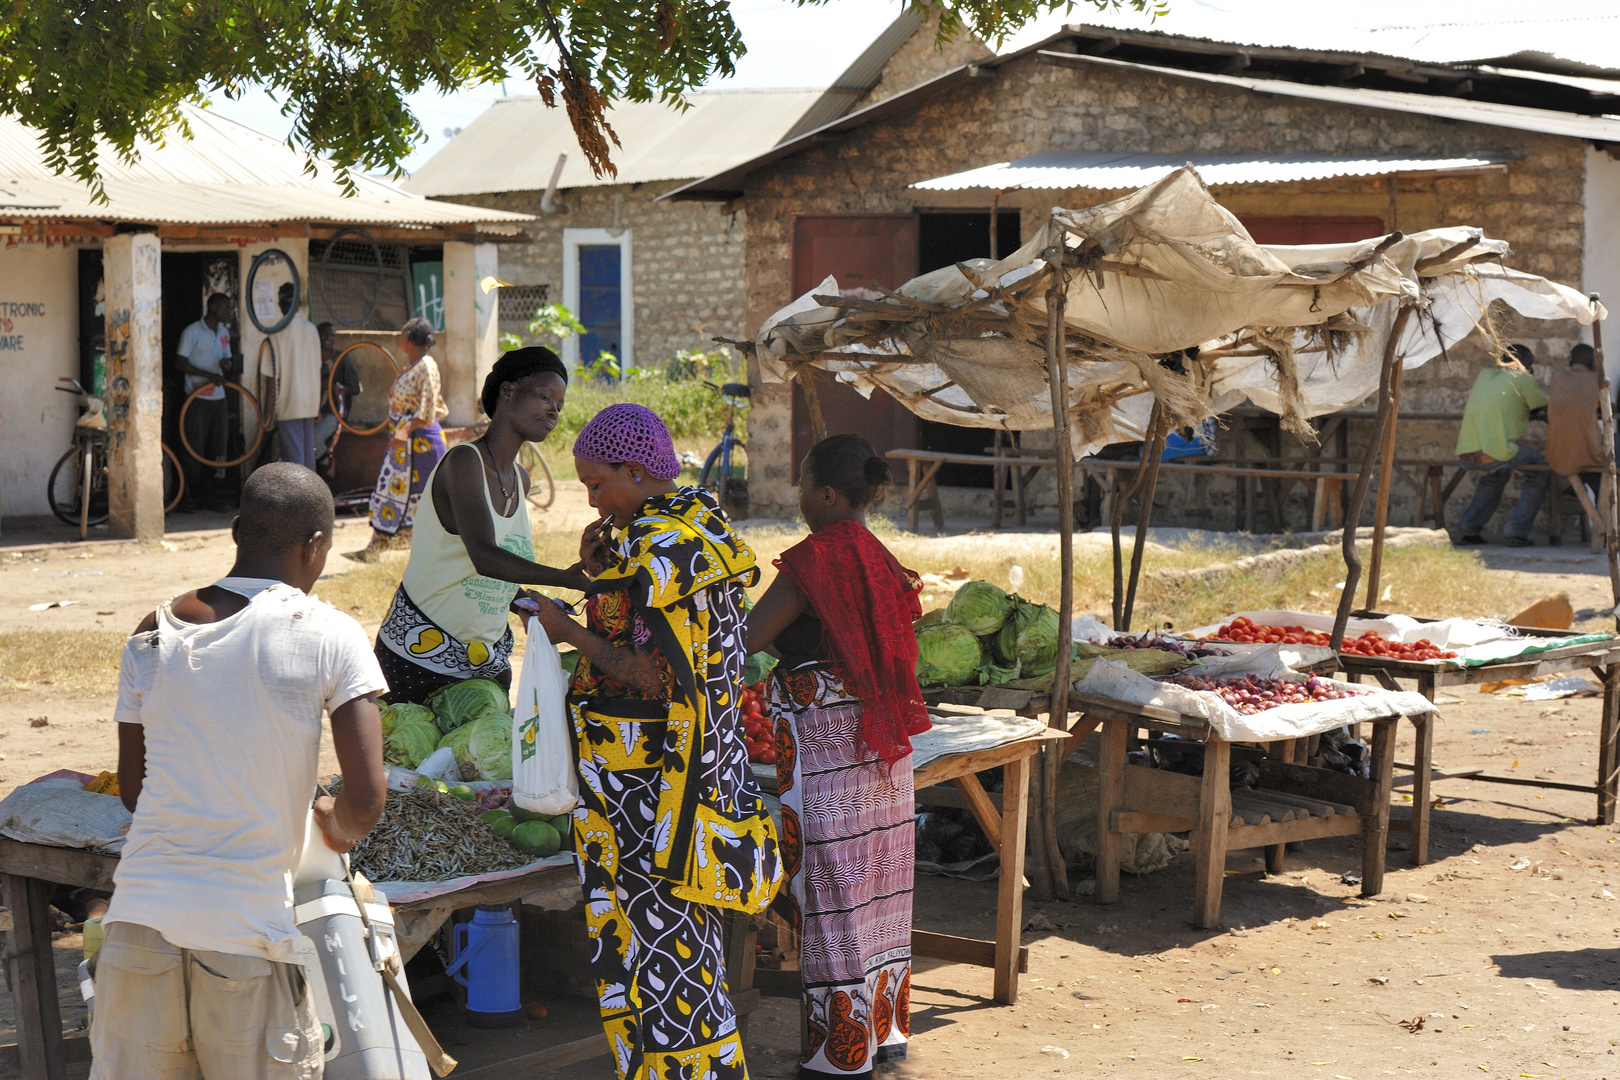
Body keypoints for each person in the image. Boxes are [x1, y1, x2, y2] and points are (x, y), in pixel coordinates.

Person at [91, 463, 388, 1079]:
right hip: (246, 936)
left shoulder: (153, 630)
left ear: (234, 532)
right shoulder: (327, 630)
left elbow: (134, 792)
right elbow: (365, 800)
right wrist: (333, 825)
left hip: (137, 925)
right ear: (316, 545)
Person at [529, 403, 781, 1080]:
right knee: (673, 948)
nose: (590, 499)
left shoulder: (662, 548)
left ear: (636, 471)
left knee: (658, 950)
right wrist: (590, 577)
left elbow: (648, 672)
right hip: (667, 784)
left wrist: (564, 630)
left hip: (648, 791)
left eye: (596, 484)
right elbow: (640, 629)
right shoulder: (694, 527)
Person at [745, 434, 930, 1078]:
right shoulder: (877, 555)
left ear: (827, 493)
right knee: (877, 888)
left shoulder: (814, 562)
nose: (796, 496)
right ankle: (881, 1034)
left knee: (833, 894)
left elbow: (744, 642)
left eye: (802, 485)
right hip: (880, 755)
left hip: (828, 749)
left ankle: (837, 1056)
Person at [375, 347, 591, 702]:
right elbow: (484, 557)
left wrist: (520, 601)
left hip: (483, 661)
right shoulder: (464, 463)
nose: (554, 410)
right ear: (508, 392)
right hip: (417, 656)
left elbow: (486, 575)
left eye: (560, 405)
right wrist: (564, 578)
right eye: (544, 397)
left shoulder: (519, 480)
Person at [355, 317, 450, 560]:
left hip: (420, 444)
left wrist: (405, 430)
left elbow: (427, 410)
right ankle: (377, 547)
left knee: (422, 500)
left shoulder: (427, 367)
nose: (399, 338)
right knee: (390, 491)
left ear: (408, 339)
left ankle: (424, 553)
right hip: (402, 443)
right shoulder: (410, 367)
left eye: (402, 334)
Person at [1454, 343, 1550, 547]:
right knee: (1540, 469)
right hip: (1496, 453)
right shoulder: (1523, 377)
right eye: (1531, 365)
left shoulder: (1485, 375)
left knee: (1497, 474)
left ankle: (1469, 529)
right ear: (1524, 364)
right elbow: (1544, 406)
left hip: (1467, 454)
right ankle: (1516, 531)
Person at [175, 291, 237, 512]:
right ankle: (186, 496)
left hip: (218, 399)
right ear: (213, 308)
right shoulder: (192, 331)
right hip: (196, 398)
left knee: (218, 446)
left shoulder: (224, 332)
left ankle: (208, 495)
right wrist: (208, 375)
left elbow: (226, 359)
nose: (230, 311)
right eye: (226, 307)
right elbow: (180, 363)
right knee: (193, 446)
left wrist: (226, 365)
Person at [272, 282, 325, 471]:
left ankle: (300, 498)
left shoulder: (277, 331)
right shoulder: (311, 329)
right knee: (307, 455)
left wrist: (268, 411)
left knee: (294, 459)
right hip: (308, 403)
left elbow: (271, 375)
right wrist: (316, 403)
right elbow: (317, 367)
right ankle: (311, 497)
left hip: (289, 403)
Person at [1546, 342, 1607, 502]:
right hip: (1586, 456)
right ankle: (1605, 511)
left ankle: (1575, 490)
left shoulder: (1556, 377)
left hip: (1556, 456)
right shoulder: (1596, 380)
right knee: (1612, 450)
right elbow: (1606, 407)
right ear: (1593, 362)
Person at [314, 321, 362, 478]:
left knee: (314, 438)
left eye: (332, 335)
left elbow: (355, 388)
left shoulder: (342, 358)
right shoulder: (310, 357)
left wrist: (338, 388)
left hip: (333, 411)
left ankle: (326, 465)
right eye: (324, 334)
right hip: (312, 410)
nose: (328, 338)